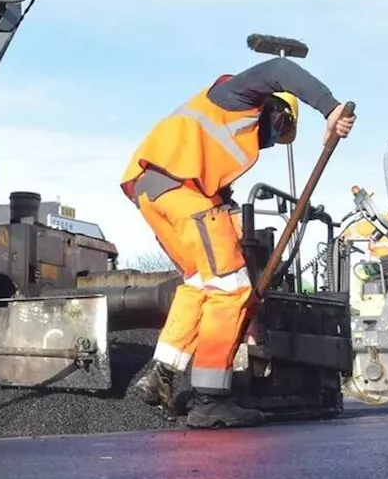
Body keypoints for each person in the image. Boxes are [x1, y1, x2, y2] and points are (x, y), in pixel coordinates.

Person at [121, 57, 355, 428]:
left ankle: (161, 375)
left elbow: (222, 202)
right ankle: (210, 399)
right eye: (280, 129)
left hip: (155, 194)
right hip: (182, 190)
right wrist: (330, 107)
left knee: (200, 284)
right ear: (276, 108)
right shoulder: (235, 96)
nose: (274, 139)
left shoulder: (227, 141)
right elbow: (279, 67)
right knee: (231, 290)